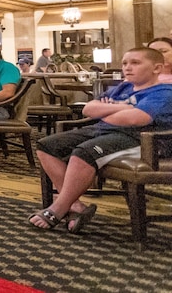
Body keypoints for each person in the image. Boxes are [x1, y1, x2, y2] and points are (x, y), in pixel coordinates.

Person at [30, 47, 172, 234]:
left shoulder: (164, 92)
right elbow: (88, 109)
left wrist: (108, 110)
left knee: (84, 152)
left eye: (135, 63)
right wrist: (124, 108)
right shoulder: (124, 87)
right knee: (47, 145)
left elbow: (137, 119)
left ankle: (59, 207)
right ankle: (75, 205)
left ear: (157, 68)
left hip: (140, 138)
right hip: (103, 130)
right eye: (125, 63)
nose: (127, 67)